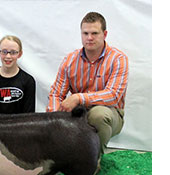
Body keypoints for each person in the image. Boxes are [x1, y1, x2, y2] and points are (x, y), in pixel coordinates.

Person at [46, 12, 129, 166]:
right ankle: (63, 159)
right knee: (54, 116)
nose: (89, 38)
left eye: (94, 33)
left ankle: (92, 162)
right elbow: (56, 93)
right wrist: (54, 117)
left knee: (98, 114)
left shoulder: (118, 58)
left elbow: (113, 95)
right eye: (85, 33)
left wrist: (79, 98)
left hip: (110, 113)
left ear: (104, 34)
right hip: (79, 112)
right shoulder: (70, 59)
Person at [0, 35, 36, 114]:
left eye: (13, 52)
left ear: (19, 54)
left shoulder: (28, 81)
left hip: (19, 125)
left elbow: (29, 116)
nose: (8, 56)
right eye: (4, 52)